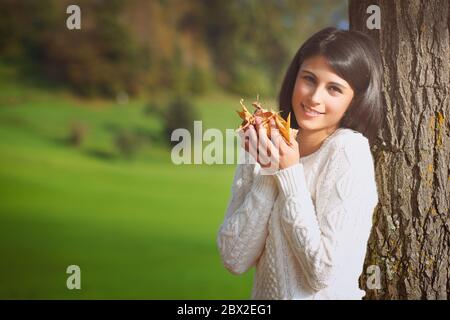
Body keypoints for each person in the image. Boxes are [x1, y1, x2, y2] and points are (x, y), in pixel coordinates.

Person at [216, 27, 383, 300]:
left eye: (334, 89)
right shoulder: (263, 144)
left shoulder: (347, 151)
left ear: (355, 100)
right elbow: (234, 259)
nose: (315, 97)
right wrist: (270, 170)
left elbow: (322, 273)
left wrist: (289, 172)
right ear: (295, 78)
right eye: (309, 79)